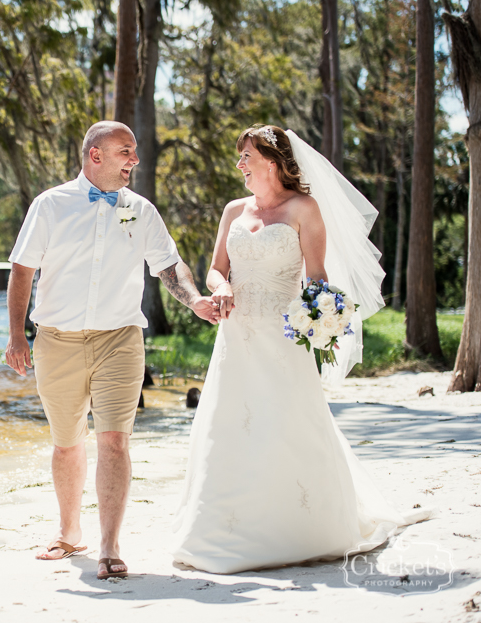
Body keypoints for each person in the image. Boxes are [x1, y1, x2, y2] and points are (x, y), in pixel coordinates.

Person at [170, 124, 431, 574]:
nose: (240, 165)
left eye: (246, 157)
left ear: (271, 161)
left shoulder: (303, 208)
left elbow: (317, 278)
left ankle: (303, 527)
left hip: (283, 338)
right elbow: (215, 269)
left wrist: (320, 318)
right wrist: (222, 288)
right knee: (229, 424)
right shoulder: (234, 210)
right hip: (235, 336)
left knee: (287, 424)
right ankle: (219, 531)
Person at [5, 121, 219, 580]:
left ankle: (109, 545)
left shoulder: (140, 210)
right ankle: (69, 533)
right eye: (126, 151)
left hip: (120, 339)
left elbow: (168, 265)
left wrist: (196, 300)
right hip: (56, 340)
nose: (134, 160)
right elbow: (22, 270)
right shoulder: (50, 205)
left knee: (115, 439)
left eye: (135, 152)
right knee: (67, 444)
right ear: (95, 155)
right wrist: (16, 335)